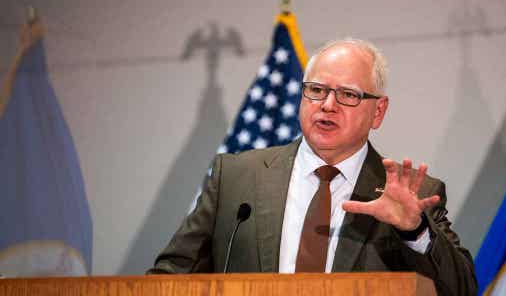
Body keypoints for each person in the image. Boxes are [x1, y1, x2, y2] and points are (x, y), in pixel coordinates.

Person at [148, 38, 477, 295]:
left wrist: (414, 232)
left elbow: (461, 289)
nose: (328, 105)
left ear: (378, 112)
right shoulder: (236, 178)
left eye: (348, 94)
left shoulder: (413, 195)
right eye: (317, 90)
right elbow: (169, 278)